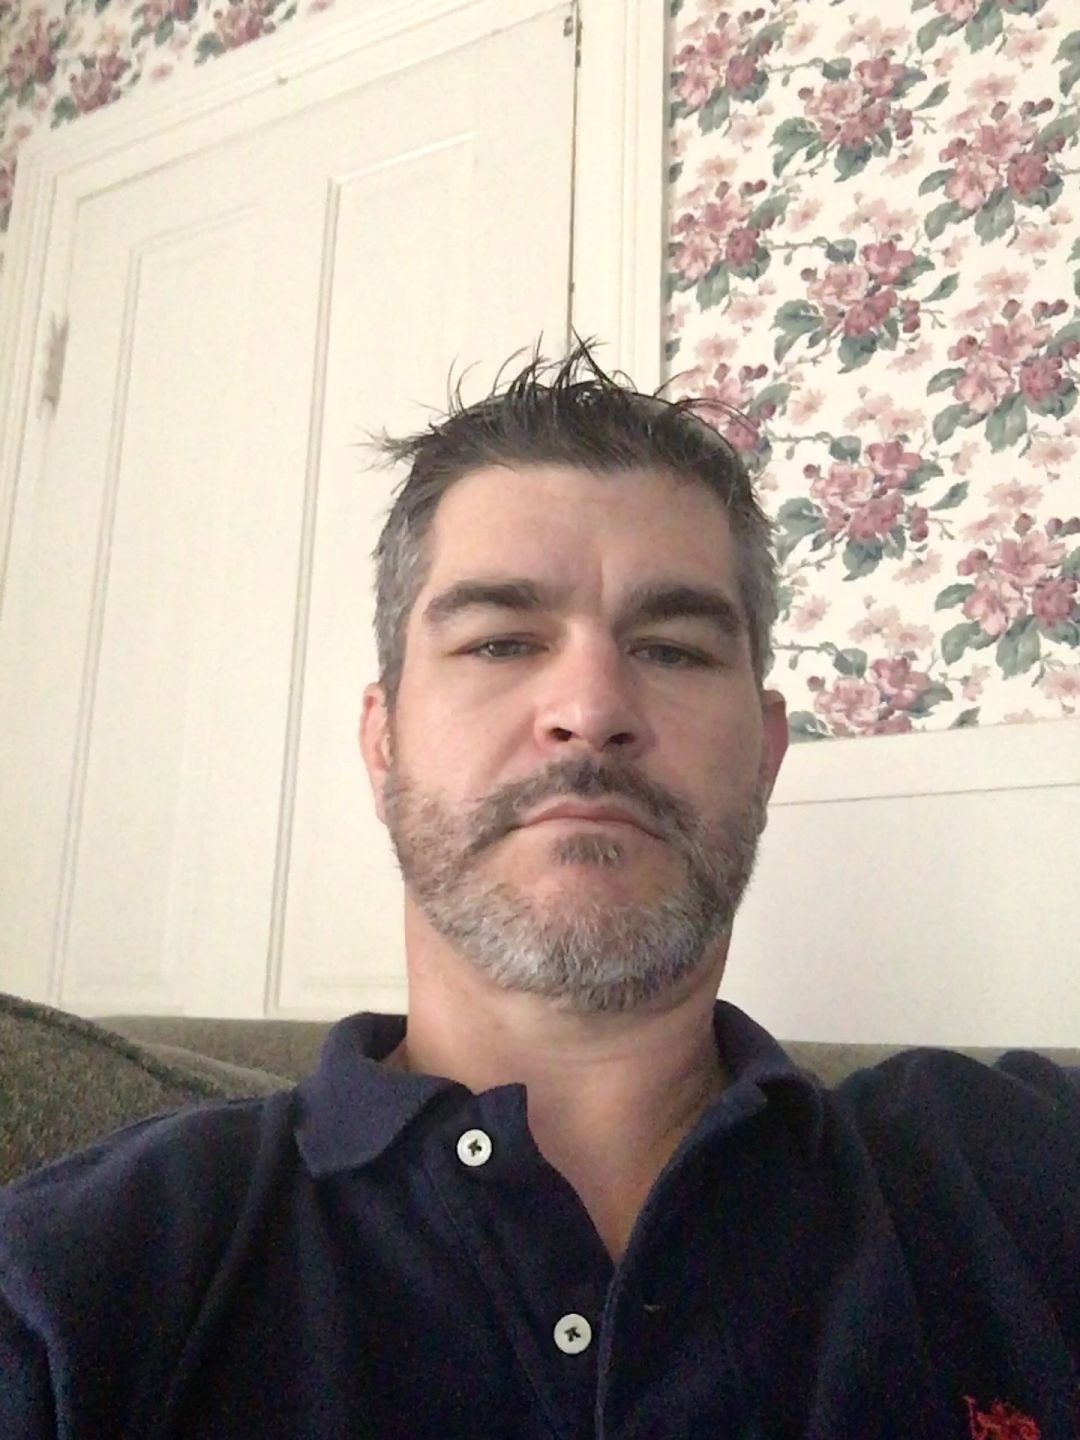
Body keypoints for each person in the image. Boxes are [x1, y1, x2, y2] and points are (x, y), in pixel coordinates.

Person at [0, 341, 1077, 1440]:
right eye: (503, 641)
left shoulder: (1009, 1170)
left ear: (765, 755)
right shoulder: (78, 1283)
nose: (591, 708)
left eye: (672, 649)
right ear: (383, 743)